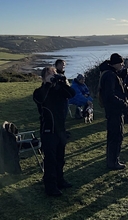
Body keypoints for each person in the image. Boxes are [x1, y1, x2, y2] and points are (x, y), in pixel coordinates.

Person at [33, 66, 76, 196]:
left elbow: (71, 94)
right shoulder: (39, 91)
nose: (53, 75)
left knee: (60, 158)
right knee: (50, 159)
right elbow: (40, 99)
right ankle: (50, 186)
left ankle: (60, 180)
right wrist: (47, 84)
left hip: (60, 129)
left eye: (54, 73)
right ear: (43, 77)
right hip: (48, 130)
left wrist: (62, 82)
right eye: (49, 74)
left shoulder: (59, 90)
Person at [98, 53, 128, 170]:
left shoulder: (108, 73)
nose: (122, 65)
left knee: (113, 136)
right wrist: (123, 103)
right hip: (114, 110)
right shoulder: (110, 75)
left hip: (112, 110)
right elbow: (110, 95)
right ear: (115, 64)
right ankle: (113, 161)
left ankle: (112, 160)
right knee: (116, 136)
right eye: (120, 63)